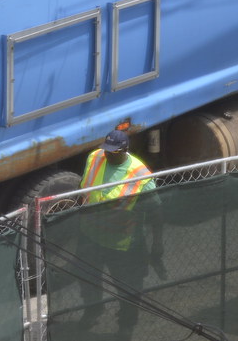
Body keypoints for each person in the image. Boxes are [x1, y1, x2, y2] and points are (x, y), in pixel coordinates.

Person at [76, 129, 159, 333]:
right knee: (87, 278)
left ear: (124, 150)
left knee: (127, 286)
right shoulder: (95, 157)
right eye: (106, 150)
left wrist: (158, 242)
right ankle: (93, 310)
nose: (108, 154)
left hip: (121, 244)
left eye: (113, 152)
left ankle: (126, 324)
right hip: (90, 236)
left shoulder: (139, 175)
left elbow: (156, 209)